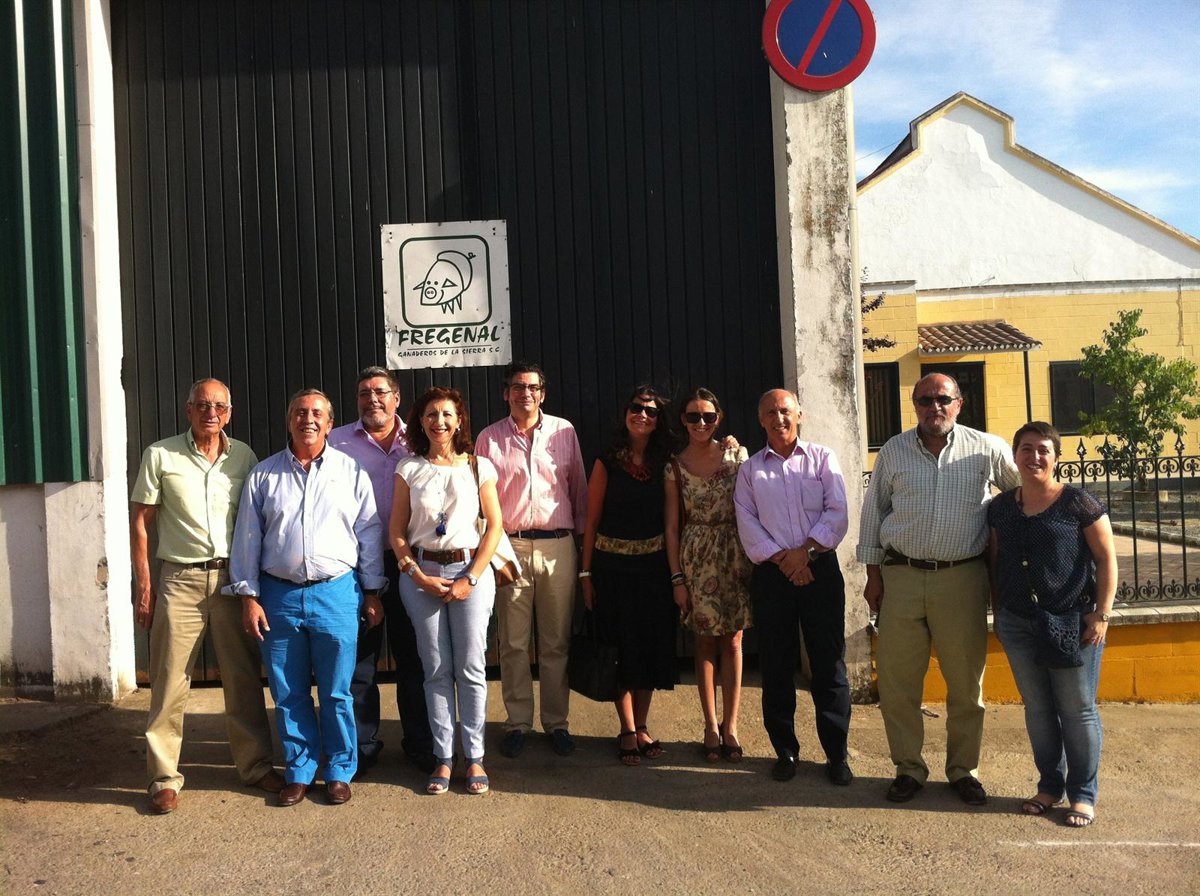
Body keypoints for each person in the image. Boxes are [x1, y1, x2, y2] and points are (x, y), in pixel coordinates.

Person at [858, 373, 1020, 805]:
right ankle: (908, 769)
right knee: (898, 684)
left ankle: (964, 771)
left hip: (962, 579)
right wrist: (873, 575)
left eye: (943, 399)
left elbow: (1023, 496)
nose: (935, 407)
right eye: (926, 400)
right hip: (901, 578)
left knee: (966, 686)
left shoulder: (986, 448)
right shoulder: (893, 450)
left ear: (959, 403)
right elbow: (874, 512)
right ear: (914, 405)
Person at [226, 389, 385, 807]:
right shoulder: (264, 475)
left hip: (337, 593)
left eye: (317, 413)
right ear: (289, 421)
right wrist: (248, 596)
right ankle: (299, 770)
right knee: (288, 691)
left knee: (337, 691)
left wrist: (372, 591)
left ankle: (339, 770)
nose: (308, 419)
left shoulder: (351, 472)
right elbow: (247, 538)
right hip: (278, 595)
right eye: (300, 412)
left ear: (330, 424)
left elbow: (369, 533)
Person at [131, 378, 282, 815]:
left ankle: (255, 766)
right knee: (169, 681)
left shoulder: (245, 457)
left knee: (242, 678)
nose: (210, 413)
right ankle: (163, 778)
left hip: (233, 581)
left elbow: (258, 522)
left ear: (229, 413)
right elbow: (140, 522)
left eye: (218, 406)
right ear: (188, 410)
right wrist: (145, 585)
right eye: (201, 405)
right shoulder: (160, 455)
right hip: (179, 580)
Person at [987, 422, 1117, 828]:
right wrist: (999, 611)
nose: (1035, 457)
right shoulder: (1001, 507)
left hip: (1072, 622)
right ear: (1015, 456)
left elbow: (1106, 559)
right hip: (1018, 622)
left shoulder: (1078, 503)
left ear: (1056, 457)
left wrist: (1102, 613)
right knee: (1039, 709)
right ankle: (1049, 786)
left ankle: (1083, 794)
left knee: (1076, 710)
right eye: (1026, 449)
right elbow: (995, 560)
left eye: (1043, 450)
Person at [734, 389, 852, 784]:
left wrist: (807, 553)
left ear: (799, 414)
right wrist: (786, 560)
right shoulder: (750, 471)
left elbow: (837, 511)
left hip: (820, 570)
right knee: (777, 665)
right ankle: (785, 751)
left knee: (828, 664)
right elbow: (747, 523)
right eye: (770, 412)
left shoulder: (822, 458)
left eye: (785, 410)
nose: (779, 418)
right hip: (774, 575)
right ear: (760, 419)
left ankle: (837, 754)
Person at [390, 387, 503, 795]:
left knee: (471, 668)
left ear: (459, 421)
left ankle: (474, 757)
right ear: (420, 422)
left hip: (470, 570)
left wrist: (471, 577)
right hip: (422, 573)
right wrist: (416, 575)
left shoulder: (479, 466)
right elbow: (396, 531)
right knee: (435, 669)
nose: (439, 421)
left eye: (447, 414)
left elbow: (495, 526)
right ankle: (443, 757)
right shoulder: (408, 468)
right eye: (431, 415)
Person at [476, 361, 588, 759]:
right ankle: (518, 723)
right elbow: (480, 499)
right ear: (506, 393)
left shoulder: (563, 431)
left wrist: (582, 548)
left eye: (533, 387)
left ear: (543, 393)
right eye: (518, 387)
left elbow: (578, 490)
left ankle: (557, 723)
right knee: (513, 643)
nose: (525, 393)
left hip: (558, 545)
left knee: (556, 642)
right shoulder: (488, 439)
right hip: (511, 547)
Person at [328, 366, 435, 776]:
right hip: (356, 565)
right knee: (359, 663)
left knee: (416, 658)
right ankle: (362, 748)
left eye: (380, 392)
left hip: (411, 562)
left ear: (396, 398)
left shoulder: (420, 439)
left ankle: (421, 743)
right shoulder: (336, 442)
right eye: (363, 393)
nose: (371, 399)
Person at [581, 385, 678, 766]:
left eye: (651, 411)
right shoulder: (607, 460)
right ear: (626, 413)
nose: (643, 415)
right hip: (611, 570)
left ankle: (642, 725)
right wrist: (585, 573)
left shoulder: (665, 461)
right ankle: (625, 728)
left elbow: (671, 522)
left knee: (648, 647)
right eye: (637, 408)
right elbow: (591, 522)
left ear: (658, 420)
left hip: (653, 569)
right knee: (618, 648)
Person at [665, 387, 752, 762]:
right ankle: (710, 726)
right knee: (703, 641)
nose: (700, 423)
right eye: (693, 416)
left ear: (719, 419)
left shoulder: (737, 455)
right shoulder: (674, 465)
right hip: (696, 557)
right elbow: (672, 527)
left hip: (734, 553)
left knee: (732, 641)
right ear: (683, 421)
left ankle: (731, 726)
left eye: (708, 416)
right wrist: (677, 578)